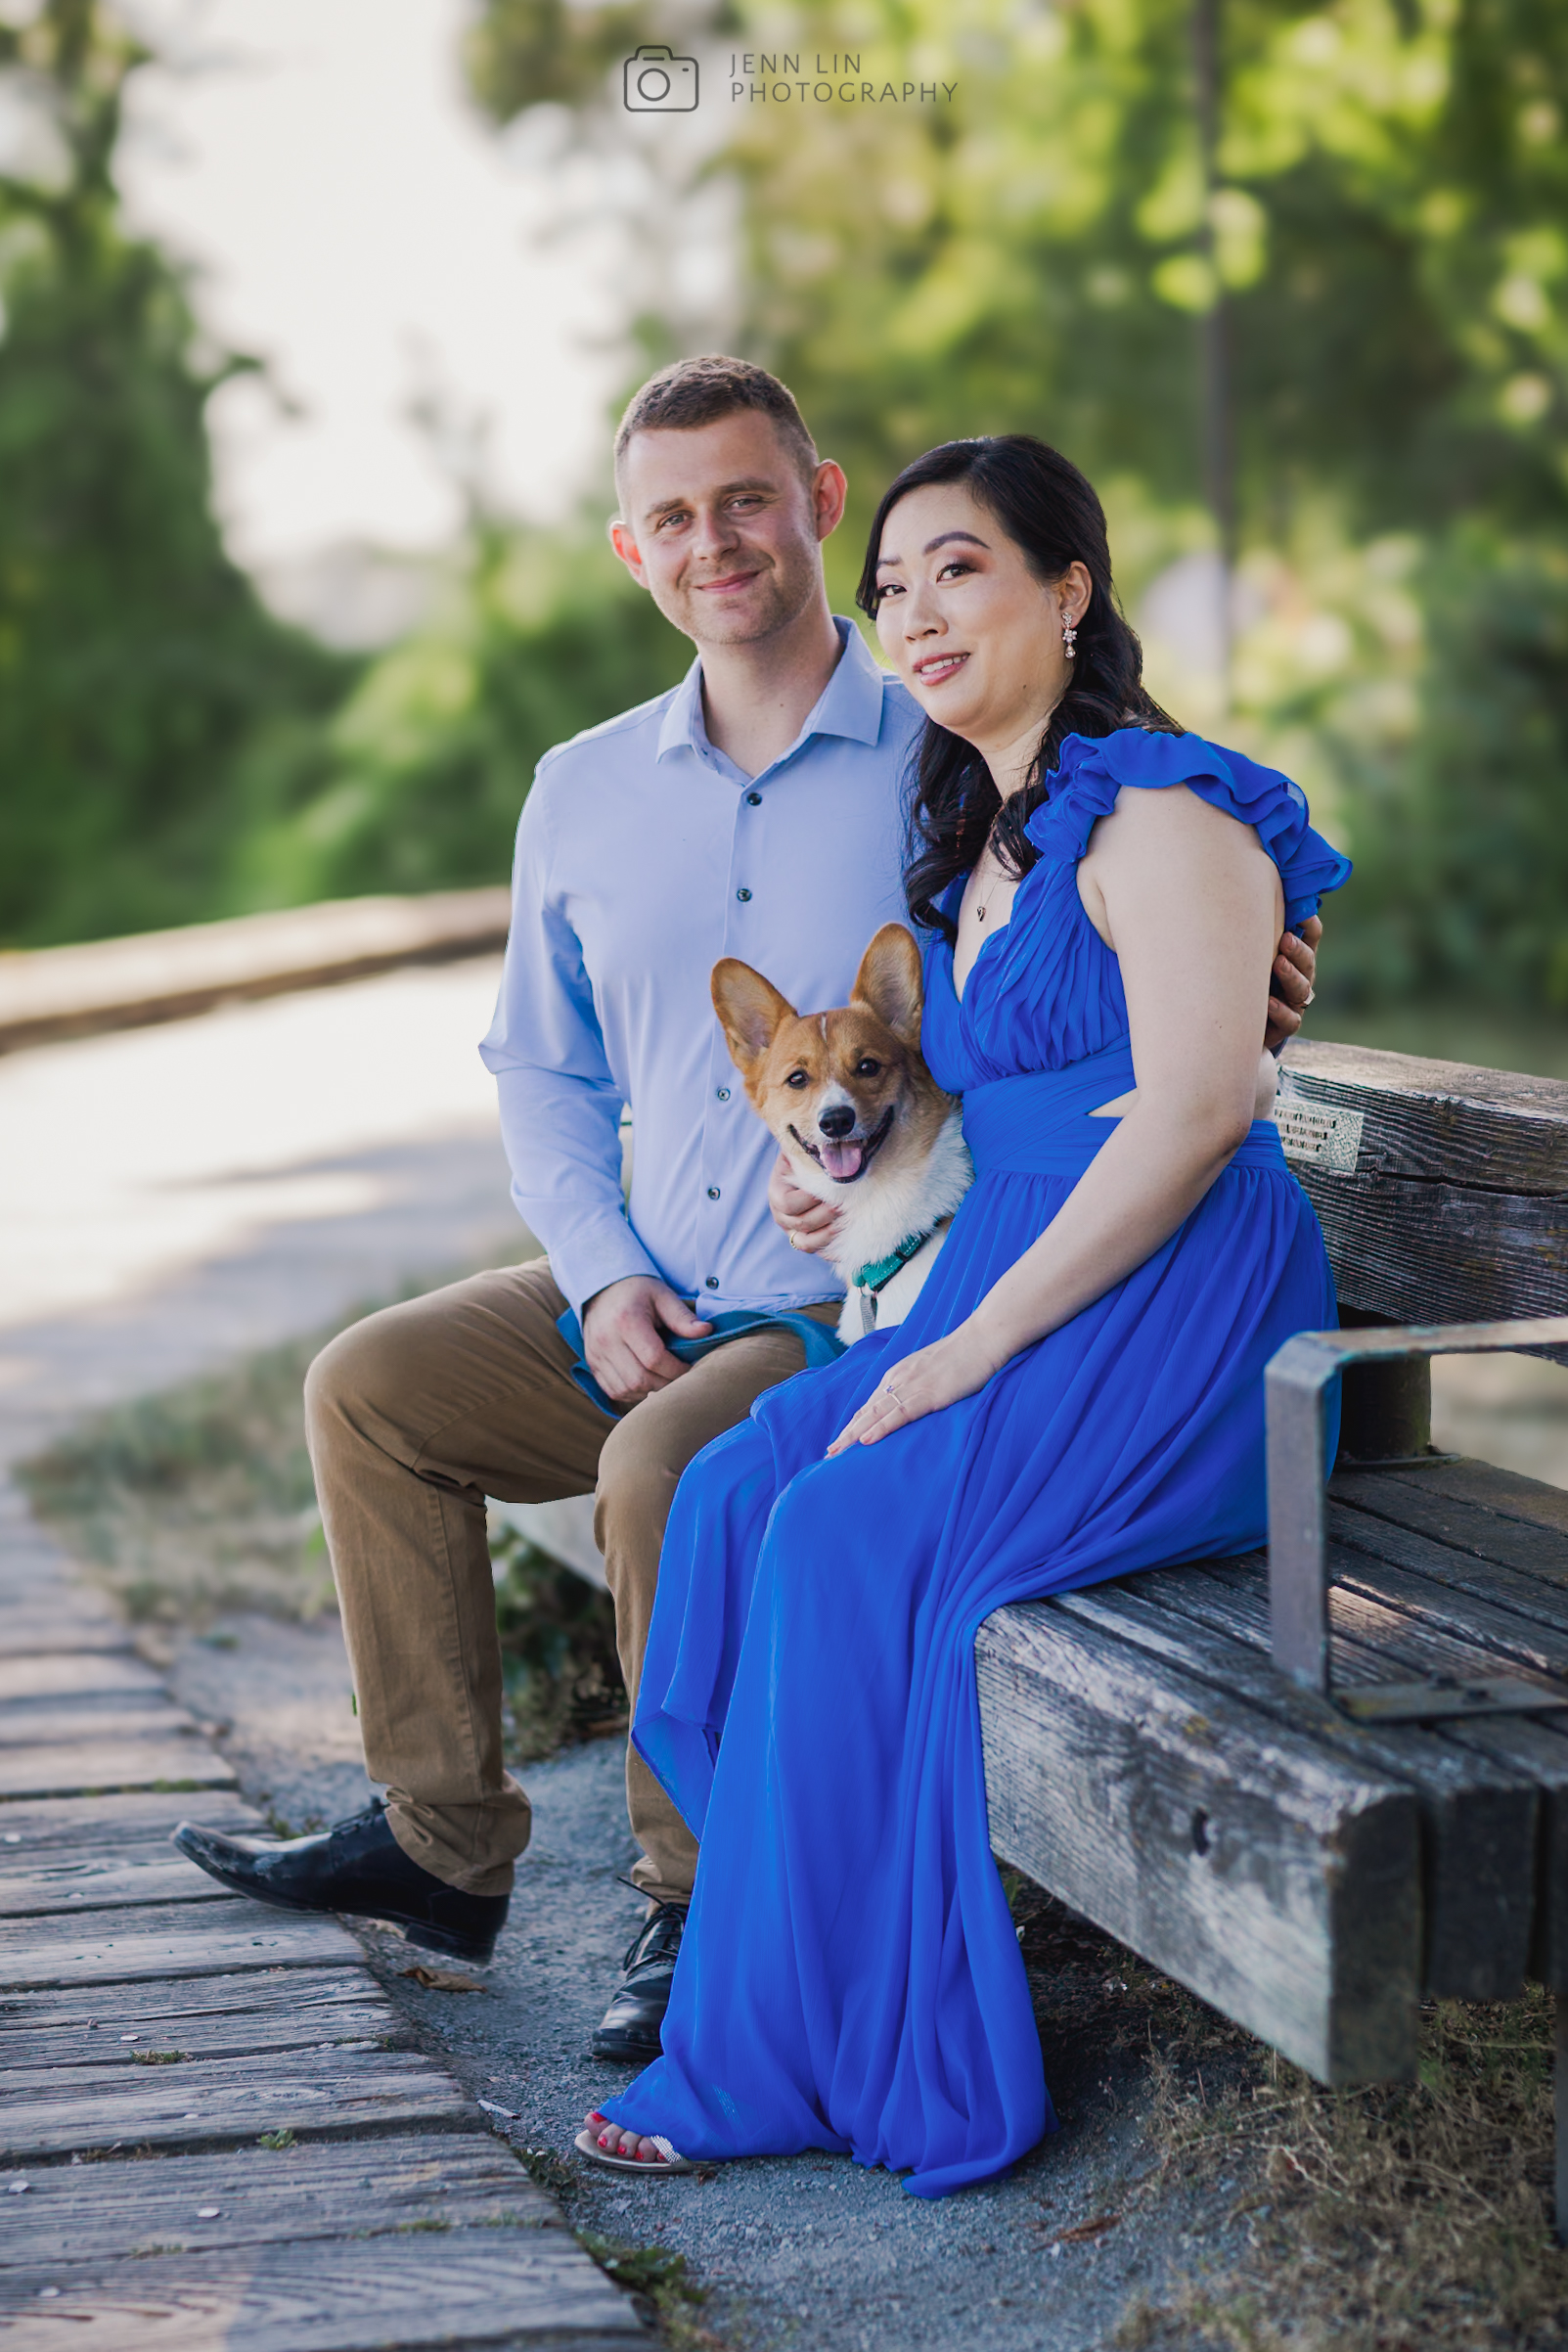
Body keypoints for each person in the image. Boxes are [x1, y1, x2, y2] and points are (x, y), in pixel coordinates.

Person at [170, 365, 1319, 2064]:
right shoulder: (582, 787)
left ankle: (689, 1894)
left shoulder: (942, 752)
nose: (716, 542)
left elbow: (1132, 923)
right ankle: (437, 1844)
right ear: (631, 550)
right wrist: (603, 1273)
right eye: (675, 516)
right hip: (654, 1274)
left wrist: (1263, 975)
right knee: (368, 1387)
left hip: (833, 1295)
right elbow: (540, 1074)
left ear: (818, 502)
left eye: (749, 499)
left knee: (668, 1472)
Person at [581, 433, 1351, 2195]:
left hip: (1168, 1312)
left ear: (1068, 590)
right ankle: (797, 1943)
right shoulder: (981, 846)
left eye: (962, 570)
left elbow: (1196, 1110)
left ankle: (770, 2054)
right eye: (895, 585)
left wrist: (973, 1342)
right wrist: (835, 1184)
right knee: (726, 1498)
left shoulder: (1167, 807)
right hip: (1013, 1269)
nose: (915, 614)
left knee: (847, 1536)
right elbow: (981, 1102)